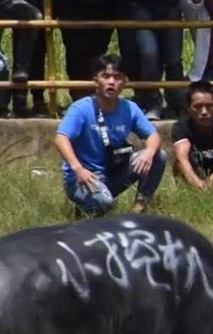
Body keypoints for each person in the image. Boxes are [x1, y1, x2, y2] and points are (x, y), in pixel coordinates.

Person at [55, 53, 164, 215]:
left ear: (124, 82)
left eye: (117, 77)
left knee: (158, 155)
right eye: (105, 76)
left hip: (114, 172)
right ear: (96, 80)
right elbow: (60, 138)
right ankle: (86, 207)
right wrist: (78, 169)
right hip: (84, 177)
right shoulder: (81, 108)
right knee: (104, 204)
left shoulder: (130, 108)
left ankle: (139, 209)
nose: (111, 82)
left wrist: (148, 152)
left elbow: (153, 136)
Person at [172, 80, 213, 191]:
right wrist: (196, 183)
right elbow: (182, 157)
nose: (204, 111)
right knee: (178, 164)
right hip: (195, 171)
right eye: (197, 106)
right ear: (188, 108)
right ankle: (189, 192)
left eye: (209, 106)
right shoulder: (180, 127)